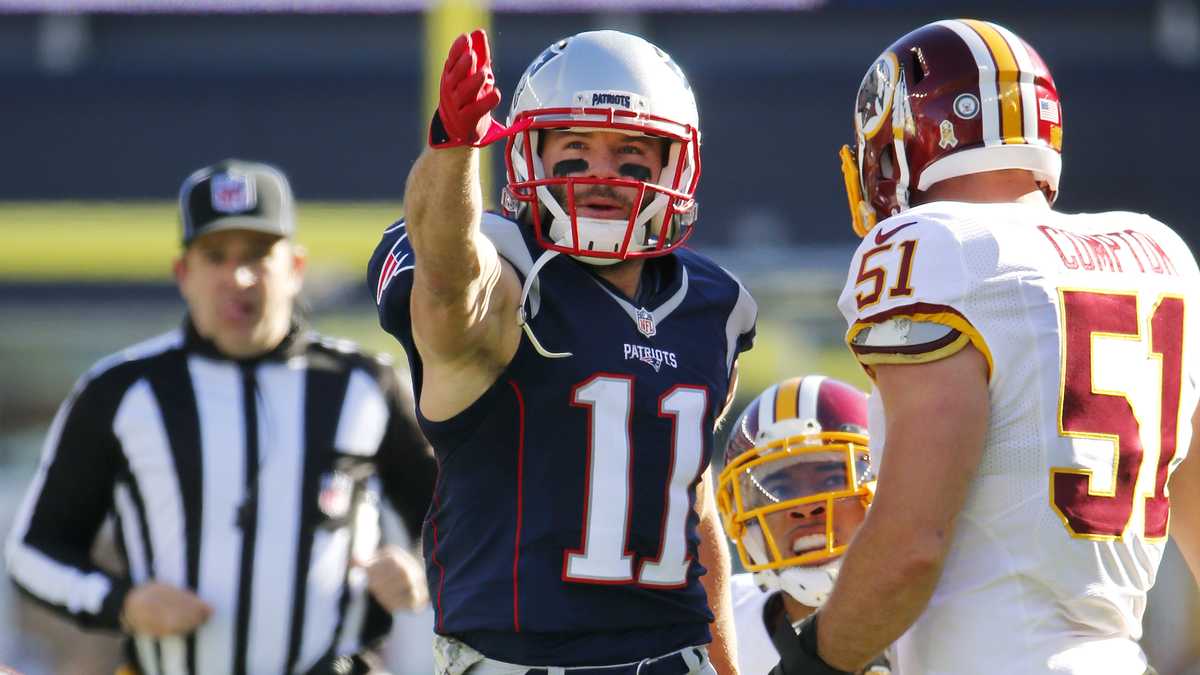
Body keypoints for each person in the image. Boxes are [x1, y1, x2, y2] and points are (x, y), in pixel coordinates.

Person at [769, 18, 1200, 675]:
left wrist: (816, 660)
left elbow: (913, 542)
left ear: (898, 145)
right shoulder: (1158, 255)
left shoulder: (936, 248)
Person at [368, 28, 756, 675]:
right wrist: (453, 148)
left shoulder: (713, 305)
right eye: (575, 150)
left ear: (674, 167)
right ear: (530, 158)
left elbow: (691, 498)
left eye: (631, 153)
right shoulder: (509, 274)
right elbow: (447, 275)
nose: (602, 175)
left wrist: (725, 666)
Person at [5, 158, 438, 675]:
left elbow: (460, 521)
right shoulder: (122, 391)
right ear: (184, 273)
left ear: (295, 268)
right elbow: (35, 552)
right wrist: (123, 601)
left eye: (258, 254)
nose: (238, 276)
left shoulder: (363, 384)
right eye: (216, 256)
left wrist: (418, 570)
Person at [715, 375, 889, 675]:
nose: (807, 507)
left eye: (834, 478)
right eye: (780, 487)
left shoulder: (943, 612)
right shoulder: (722, 619)